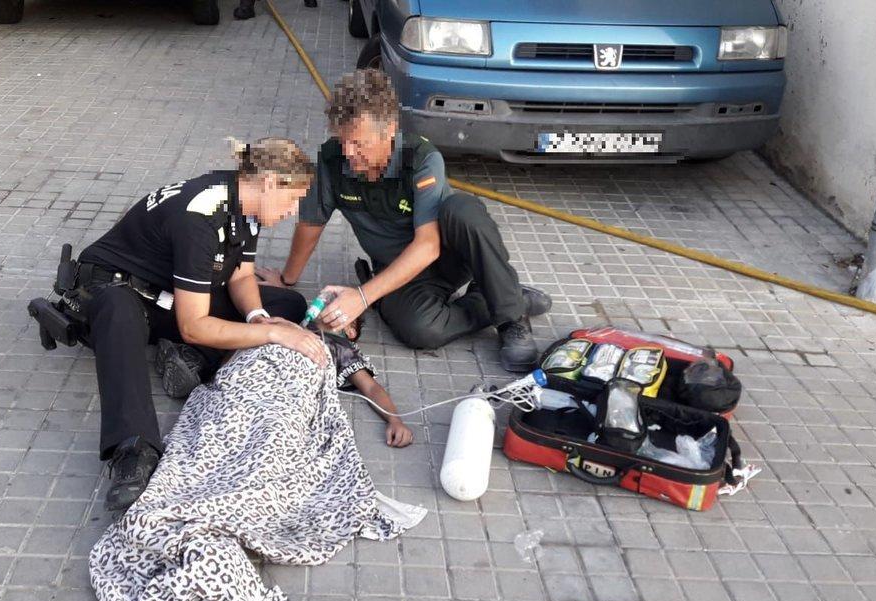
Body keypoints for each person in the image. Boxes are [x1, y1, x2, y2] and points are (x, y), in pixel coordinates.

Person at [73, 137, 325, 510]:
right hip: (116, 289)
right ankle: (133, 450)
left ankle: (187, 357)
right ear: (270, 183)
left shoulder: (244, 200)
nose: (292, 212)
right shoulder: (200, 217)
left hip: (167, 289)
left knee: (285, 302)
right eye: (292, 201)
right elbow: (194, 324)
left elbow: (241, 277)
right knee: (120, 312)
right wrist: (271, 334)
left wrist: (259, 317)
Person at [258, 69, 552, 373]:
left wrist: (361, 296)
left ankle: (511, 318)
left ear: (390, 131)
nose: (348, 152)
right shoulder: (333, 159)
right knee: (420, 332)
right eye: (343, 141)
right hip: (398, 271)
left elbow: (428, 246)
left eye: (359, 143)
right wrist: (287, 280)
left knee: (463, 210)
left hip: (447, 257)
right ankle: (502, 295)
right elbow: (311, 223)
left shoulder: (422, 158)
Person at [317, 314, 414, 448]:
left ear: (350, 332)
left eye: (339, 309)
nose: (328, 307)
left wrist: (394, 420)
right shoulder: (297, 325)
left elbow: (371, 388)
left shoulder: (342, 348)